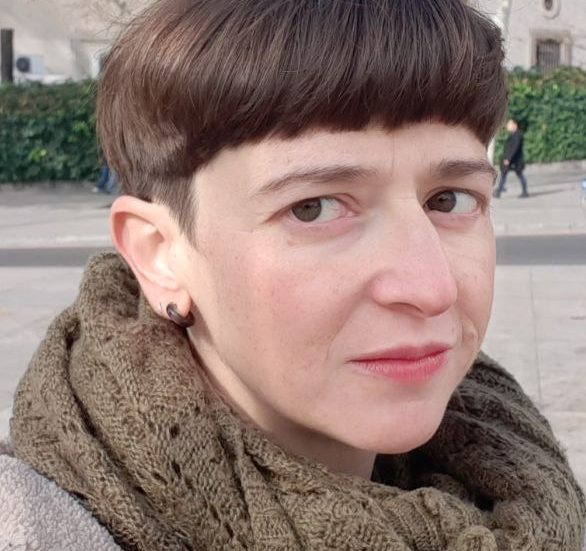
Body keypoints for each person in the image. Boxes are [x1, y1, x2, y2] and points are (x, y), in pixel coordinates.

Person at [1, 1, 585, 549]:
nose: (432, 289)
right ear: (160, 255)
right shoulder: (36, 528)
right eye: (314, 208)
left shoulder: (519, 476)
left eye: (450, 200)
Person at [493, 118, 530, 198]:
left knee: (519, 174)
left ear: (515, 125)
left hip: (515, 160)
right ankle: (499, 191)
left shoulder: (517, 135)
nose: (507, 126)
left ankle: (525, 192)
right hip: (511, 160)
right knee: (504, 174)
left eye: (509, 124)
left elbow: (514, 148)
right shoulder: (514, 135)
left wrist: (508, 159)